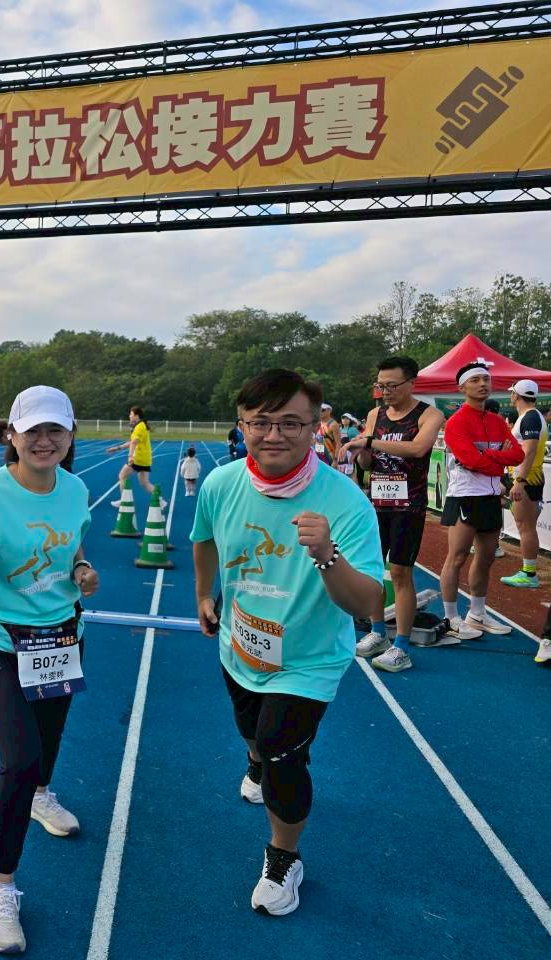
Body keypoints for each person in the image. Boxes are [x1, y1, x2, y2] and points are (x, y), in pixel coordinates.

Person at [192, 368, 382, 918]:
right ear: (242, 424)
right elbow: (204, 539)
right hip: (241, 645)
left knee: (282, 753)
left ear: (314, 426)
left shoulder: (345, 502)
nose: (274, 435)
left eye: (291, 424)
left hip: (308, 660)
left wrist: (327, 554)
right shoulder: (221, 484)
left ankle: (284, 857)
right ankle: (256, 759)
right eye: (261, 422)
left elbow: (367, 603)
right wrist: (203, 593)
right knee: (253, 734)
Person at [0, 385, 97, 955]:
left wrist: (82, 569)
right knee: (19, 758)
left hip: (60, 635)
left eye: (54, 430)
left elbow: (74, 547)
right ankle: (1, 887)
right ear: (12, 435)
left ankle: (42, 795)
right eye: (32, 430)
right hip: (0, 641)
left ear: (69, 435)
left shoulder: (76, 488)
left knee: (49, 736)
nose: (43, 440)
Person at [345, 357, 446, 673]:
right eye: (381, 386)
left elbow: (417, 449)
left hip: (408, 506)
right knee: (373, 569)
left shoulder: (429, 415)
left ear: (411, 383)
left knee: (401, 572)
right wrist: (362, 451)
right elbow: (367, 464)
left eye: (391, 385)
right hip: (377, 504)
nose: (385, 391)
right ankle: (378, 632)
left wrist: (370, 441)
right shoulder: (375, 415)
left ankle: (401, 645)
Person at [439, 363, 525, 640]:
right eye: (475, 380)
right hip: (464, 495)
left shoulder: (497, 421)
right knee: (457, 557)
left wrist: (486, 459)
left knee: (486, 557)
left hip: (490, 497)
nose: (482, 384)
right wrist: (495, 460)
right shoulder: (456, 422)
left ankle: (476, 614)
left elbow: (518, 456)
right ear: (462, 387)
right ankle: (451, 617)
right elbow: (470, 460)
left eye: (486, 379)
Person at [499, 379, 546, 592]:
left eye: (512, 393)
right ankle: (528, 572)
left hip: (527, 479)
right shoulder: (529, 416)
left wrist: (519, 481)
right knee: (524, 525)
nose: (511, 396)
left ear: (516, 395)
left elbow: (530, 451)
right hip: (524, 477)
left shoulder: (530, 417)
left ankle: (529, 574)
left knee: (525, 527)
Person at [107, 406, 158, 508]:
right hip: (145, 459)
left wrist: (130, 456)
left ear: (136, 416)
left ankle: (124, 501)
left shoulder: (139, 427)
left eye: (131, 414)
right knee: (144, 483)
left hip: (138, 458)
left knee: (122, 475)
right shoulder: (141, 426)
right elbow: (131, 442)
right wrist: (117, 448)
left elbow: (134, 443)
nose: (129, 416)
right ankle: (160, 500)